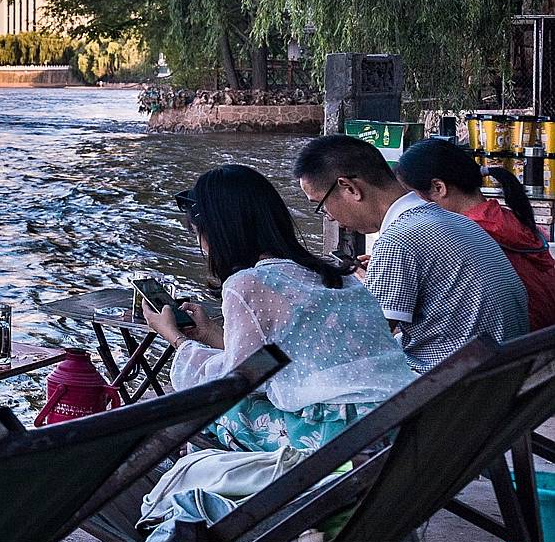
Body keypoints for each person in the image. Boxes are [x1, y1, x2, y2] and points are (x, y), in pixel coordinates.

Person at [139, 165, 414, 452]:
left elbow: (239, 382)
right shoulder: (337, 273)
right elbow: (276, 358)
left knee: (209, 412)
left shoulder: (247, 284)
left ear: (218, 232)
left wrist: (175, 338)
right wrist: (208, 332)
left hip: (342, 442)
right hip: (396, 419)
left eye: (198, 233)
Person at [294, 134, 527, 367]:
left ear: (350, 188)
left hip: (449, 389)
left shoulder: (399, 239)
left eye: (321, 205)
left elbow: (360, 343)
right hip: (497, 378)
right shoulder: (456, 221)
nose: (330, 217)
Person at [396, 137, 555, 332]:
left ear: (439, 188)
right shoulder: (502, 217)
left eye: (414, 195)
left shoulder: (466, 233)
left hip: (517, 343)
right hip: (538, 339)